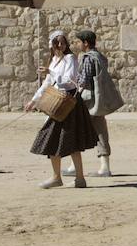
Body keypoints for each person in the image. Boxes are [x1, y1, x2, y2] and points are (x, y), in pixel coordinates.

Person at [25, 30, 99, 189]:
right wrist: (34, 100)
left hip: (68, 104)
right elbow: (48, 83)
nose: (60, 45)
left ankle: (79, 179)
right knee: (52, 140)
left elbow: (70, 81)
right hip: (56, 103)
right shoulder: (54, 60)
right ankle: (58, 177)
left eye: (63, 42)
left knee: (71, 142)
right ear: (52, 45)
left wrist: (50, 71)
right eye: (57, 42)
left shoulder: (70, 58)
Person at [75, 29, 114, 177]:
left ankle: (74, 166)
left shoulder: (87, 58)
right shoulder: (100, 57)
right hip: (99, 99)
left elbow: (84, 81)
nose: (77, 44)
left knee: (77, 130)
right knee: (101, 131)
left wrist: (73, 83)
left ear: (85, 43)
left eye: (79, 41)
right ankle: (105, 166)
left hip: (87, 99)